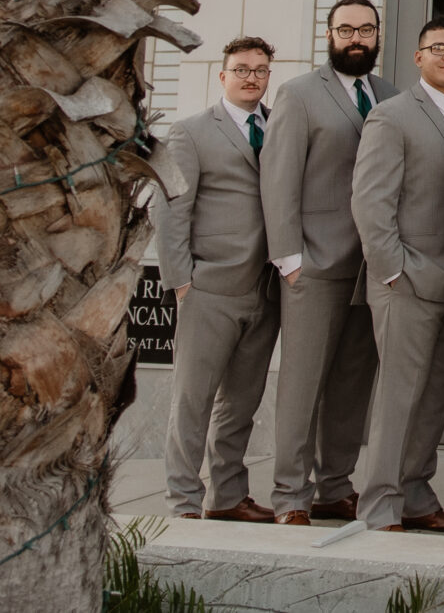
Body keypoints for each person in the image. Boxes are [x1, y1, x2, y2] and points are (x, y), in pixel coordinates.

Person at [348, 16, 444, 532]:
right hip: (406, 280)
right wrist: (391, 272)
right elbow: (370, 200)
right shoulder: (392, 116)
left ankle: (417, 496)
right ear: (418, 57)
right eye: (439, 48)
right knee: (399, 396)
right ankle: (380, 506)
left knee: (436, 395)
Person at [261, 0, 389, 524]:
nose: (356, 38)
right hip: (313, 264)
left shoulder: (390, 95)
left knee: (352, 382)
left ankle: (335, 486)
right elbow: (279, 178)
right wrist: (289, 258)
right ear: (330, 34)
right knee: (302, 382)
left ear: (378, 35)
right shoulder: (298, 95)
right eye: (345, 30)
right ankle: (291, 494)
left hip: (372, 265)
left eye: (365, 29)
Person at [151, 36, 281, 523]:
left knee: (241, 404)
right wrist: (181, 282)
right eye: (242, 69)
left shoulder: (279, 129)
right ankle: (183, 501)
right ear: (222, 76)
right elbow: (169, 211)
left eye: (261, 70)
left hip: (265, 289)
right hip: (209, 289)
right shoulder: (190, 133)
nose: (251, 77)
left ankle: (227, 497)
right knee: (193, 400)